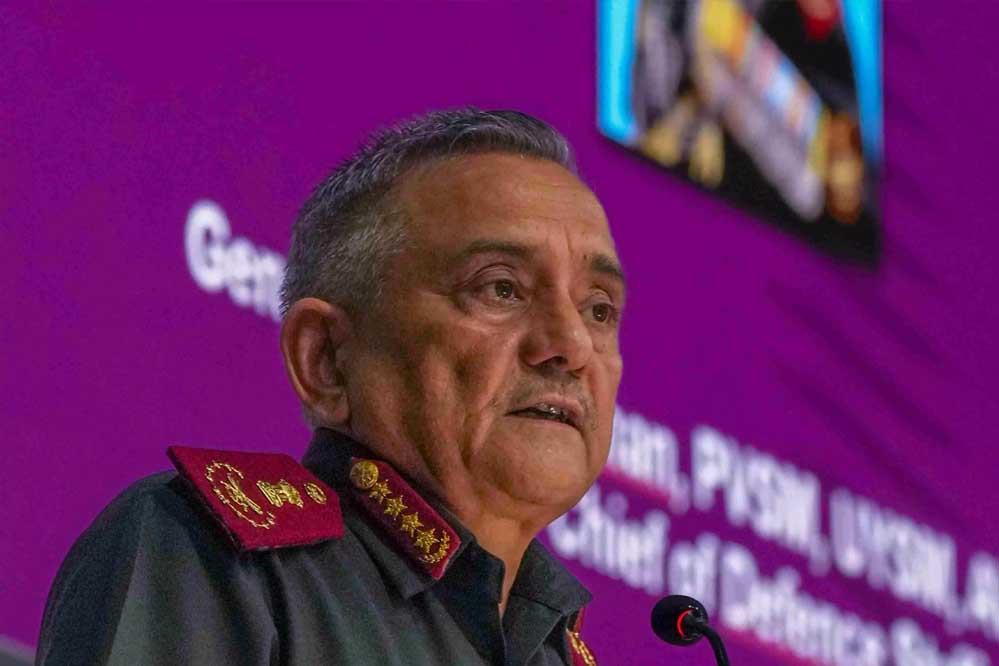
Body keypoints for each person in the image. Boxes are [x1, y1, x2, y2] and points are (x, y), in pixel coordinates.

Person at [36, 108, 626, 666]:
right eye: (501, 288)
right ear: (326, 359)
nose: (572, 344)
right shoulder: (213, 556)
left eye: (599, 309)